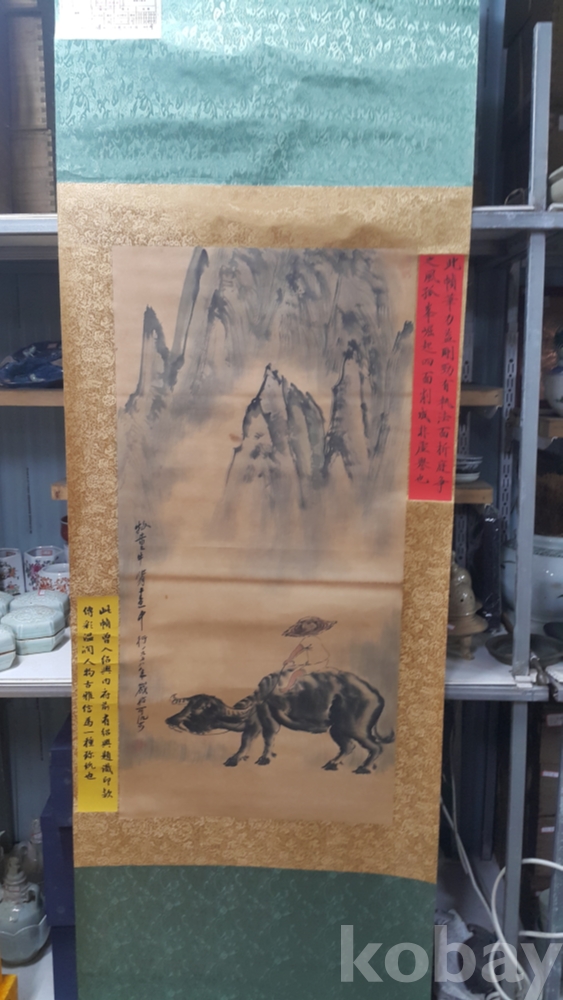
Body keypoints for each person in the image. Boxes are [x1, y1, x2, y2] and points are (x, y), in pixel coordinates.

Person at [276, 616, 337, 693]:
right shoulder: (315, 638)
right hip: (324, 661)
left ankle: (287, 688)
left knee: (295, 674)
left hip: (316, 664)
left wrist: (289, 659)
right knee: (300, 666)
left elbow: (296, 651)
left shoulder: (307, 640)